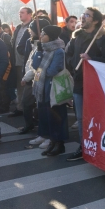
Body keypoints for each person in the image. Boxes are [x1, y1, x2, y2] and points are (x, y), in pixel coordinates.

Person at [65, 7, 105, 161]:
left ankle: (98, 145)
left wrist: (91, 59)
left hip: (96, 86)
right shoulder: (77, 36)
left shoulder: (103, 40)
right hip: (79, 83)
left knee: (97, 117)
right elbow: (69, 54)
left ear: (95, 21)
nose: (83, 17)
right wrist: (73, 66)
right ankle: (84, 145)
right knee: (80, 118)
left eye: (87, 15)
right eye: (84, 14)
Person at [30, 26, 69, 156]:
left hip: (53, 88)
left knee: (57, 116)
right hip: (43, 88)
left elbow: (52, 70)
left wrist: (42, 70)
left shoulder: (58, 51)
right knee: (48, 116)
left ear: (51, 36)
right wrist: (39, 52)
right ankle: (52, 142)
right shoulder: (43, 49)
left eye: (44, 34)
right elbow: (35, 66)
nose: (41, 36)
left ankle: (59, 143)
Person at [20, 17, 51, 139]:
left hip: (37, 78)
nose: (29, 31)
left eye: (32, 29)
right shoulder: (30, 42)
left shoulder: (45, 45)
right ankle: (30, 124)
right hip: (29, 77)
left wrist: (27, 77)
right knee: (26, 103)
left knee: (40, 106)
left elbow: (37, 66)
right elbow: (29, 61)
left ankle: (44, 132)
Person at [9, 7, 33, 118]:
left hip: (29, 62)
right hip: (17, 62)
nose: (20, 15)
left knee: (28, 85)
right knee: (20, 85)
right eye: (19, 13)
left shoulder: (33, 26)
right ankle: (20, 107)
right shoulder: (18, 27)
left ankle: (29, 109)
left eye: (22, 13)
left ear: (29, 14)